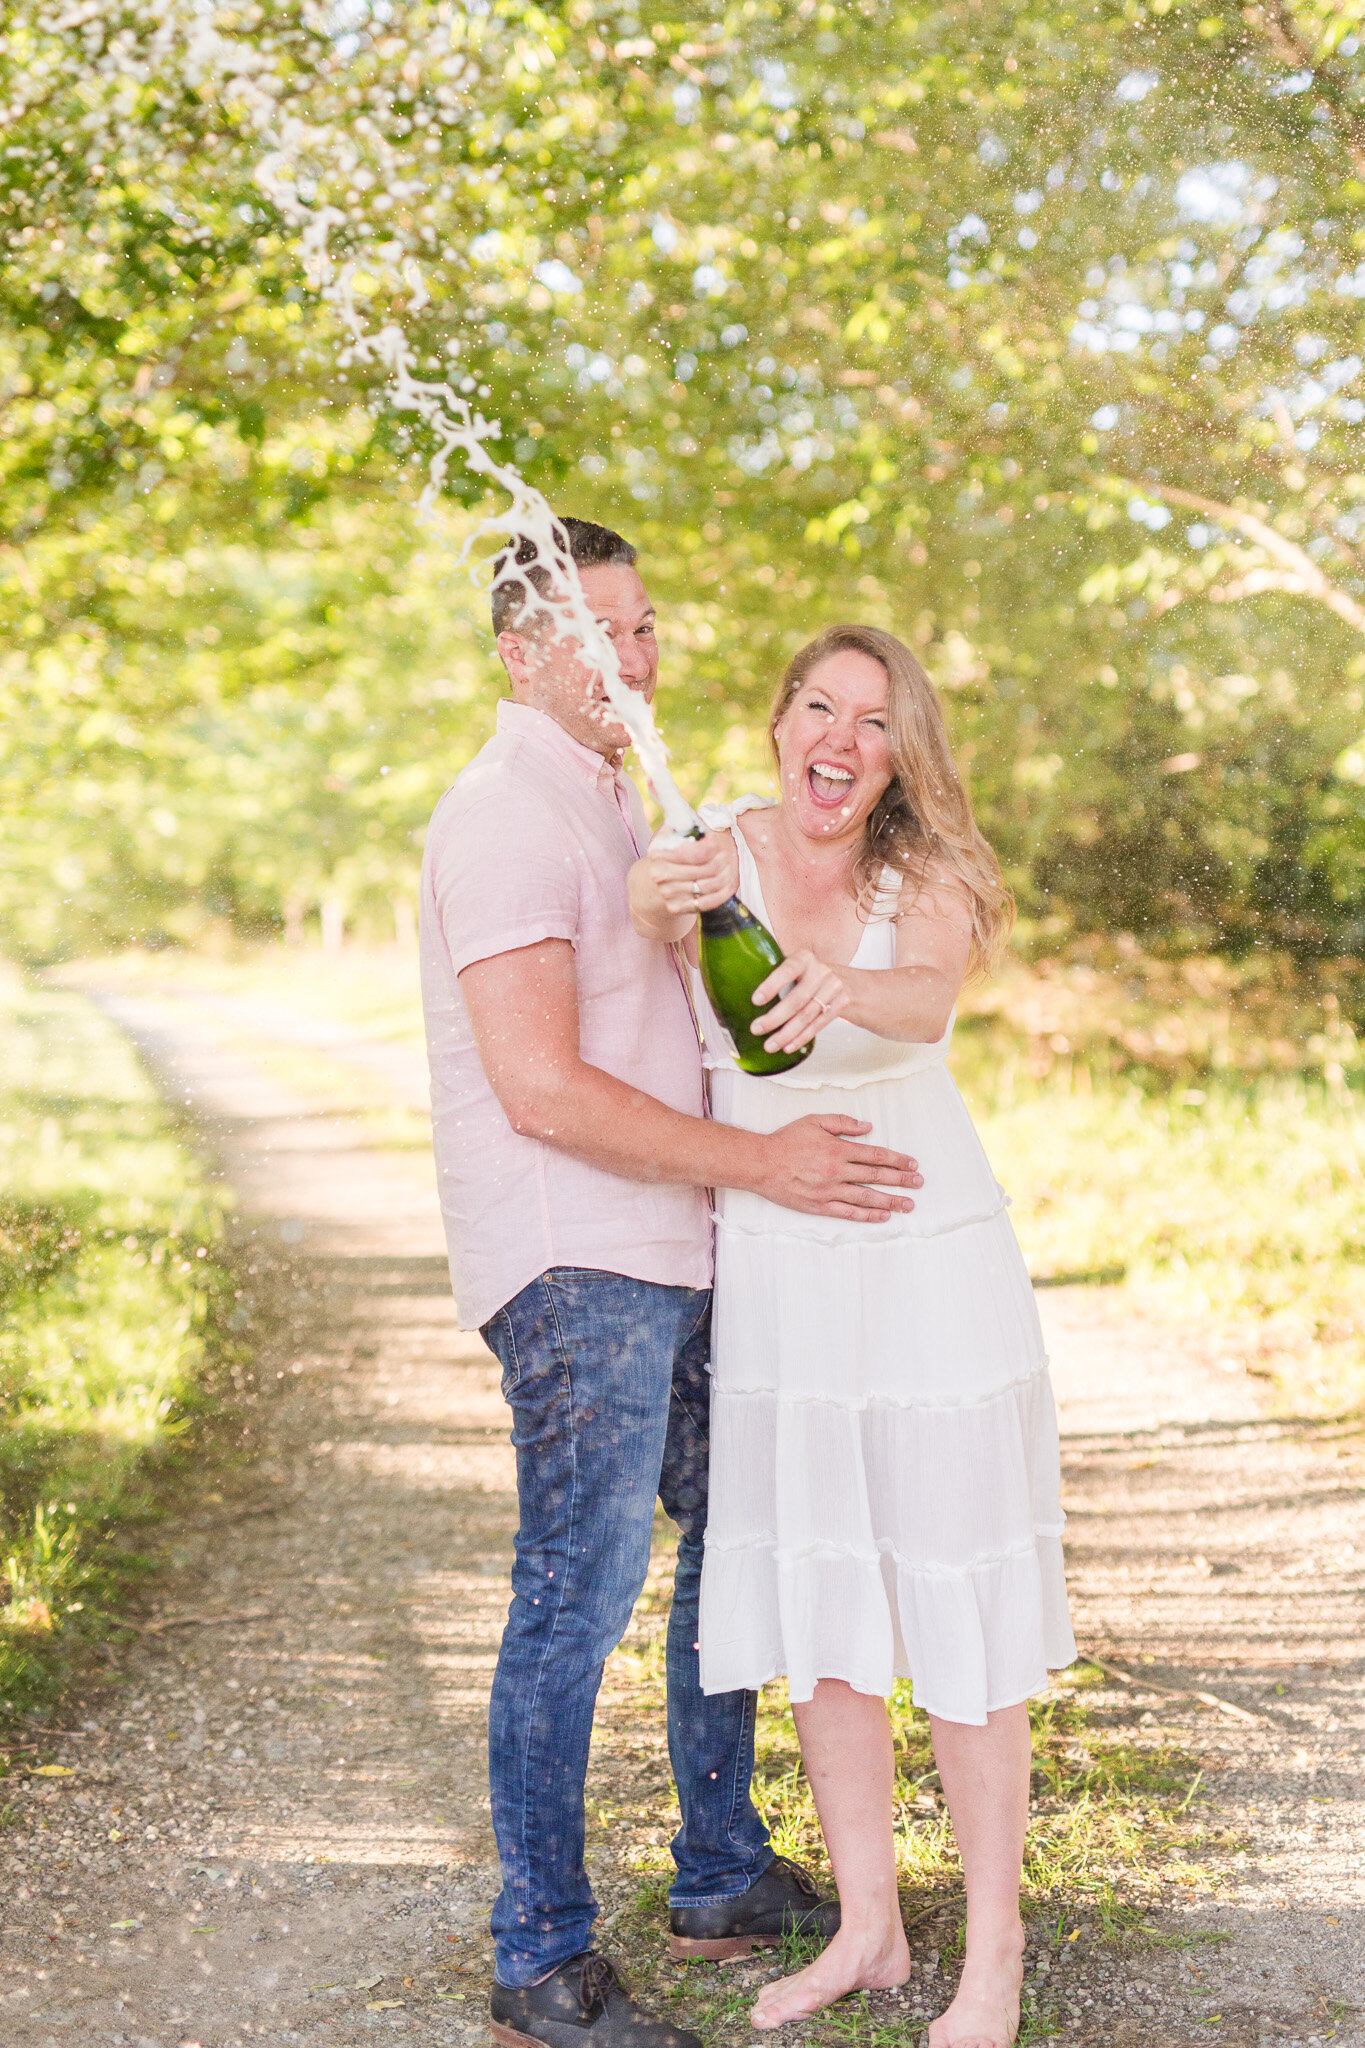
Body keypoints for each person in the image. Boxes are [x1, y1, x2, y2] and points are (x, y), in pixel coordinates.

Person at [419, 524, 925, 2048]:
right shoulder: (502, 814)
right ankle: (541, 1958)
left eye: (643, 627)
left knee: (727, 1536)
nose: (632, 657)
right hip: (578, 1255)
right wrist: (758, 1163)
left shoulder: (617, 800)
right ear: (520, 652)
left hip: (670, 1243)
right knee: (575, 1590)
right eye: (597, 632)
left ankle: (715, 1869)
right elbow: (541, 1092)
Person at [629, 623, 1077, 2048]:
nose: (838, 735)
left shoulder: (922, 871)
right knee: (825, 1624)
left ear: (898, 755)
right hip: (783, 1273)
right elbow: (648, 922)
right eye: (816, 706)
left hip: (923, 1263)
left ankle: (990, 1955)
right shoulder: (712, 851)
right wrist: (652, 889)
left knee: (955, 1605)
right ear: (778, 725)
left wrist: (842, 990)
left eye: (872, 721)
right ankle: (871, 1934)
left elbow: (925, 999)